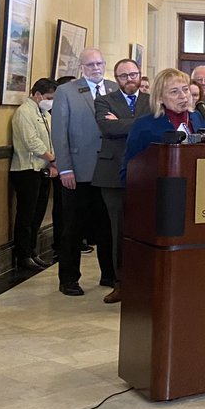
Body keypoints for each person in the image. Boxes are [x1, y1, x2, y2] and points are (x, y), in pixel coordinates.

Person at [51, 48, 118, 297]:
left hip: (108, 170)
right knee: (73, 228)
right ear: (81, 67)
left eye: (99, 63)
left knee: (108, 227)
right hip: (78, 171)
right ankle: (69, 278)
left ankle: (109, 274)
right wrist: (65, 167)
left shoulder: (113, 89)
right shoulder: (66, 92)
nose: (96, 68)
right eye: (90, 65)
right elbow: (59, 132)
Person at [93, 58, 149, 304]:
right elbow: (108, 129)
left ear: (140, 75)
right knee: (119, 230)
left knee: (147, 229)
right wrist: (140, 124)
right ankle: (120, 283)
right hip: (113, 173)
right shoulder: (104, 100)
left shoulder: (152, 101)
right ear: (116, 79)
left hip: (148, 173)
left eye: (133, 74)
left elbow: (154, 128)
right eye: (124, 76)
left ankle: (145, 282)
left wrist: (123, 124)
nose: (130, 79)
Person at [10, 79, 58, 273]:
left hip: (43, 169)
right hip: (26, 169)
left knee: (38, 213)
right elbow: (32, 142)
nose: (50, 102)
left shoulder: (45, 113)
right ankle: (23, 255)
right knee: (26, 215)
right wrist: (52, 159)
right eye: (49, 98)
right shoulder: (24, 113)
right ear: (37, 94)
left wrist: (53, 161)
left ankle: (32, 250)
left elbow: (51, 138)